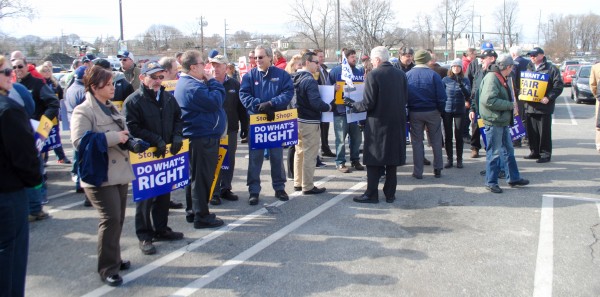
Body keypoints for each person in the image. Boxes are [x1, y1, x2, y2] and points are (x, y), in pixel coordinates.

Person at [71, 65, 137, 286]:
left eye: (112, 83)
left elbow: (122, 133)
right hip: (100, 174)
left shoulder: (110, 107)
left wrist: (130, 140)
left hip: (117, 172)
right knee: (109, 220)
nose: (112, 88)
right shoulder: (84, 110)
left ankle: (114, 258)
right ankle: (107, 267)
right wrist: (113, 137)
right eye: (107, 84)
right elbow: (79, 142)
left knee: (117, 219)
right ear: (93, 87)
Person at [123, 61, 185, 255]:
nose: (158, 80)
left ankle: (161, 229)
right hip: (146, 156)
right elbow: (132, 127)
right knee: (146, 198)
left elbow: (178, 118)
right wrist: (154, 139)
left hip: (165, 153)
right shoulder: (133, 101)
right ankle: (145, 235)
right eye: (153, 77)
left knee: (164, 193)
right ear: (142, 78)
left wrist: (176, 136)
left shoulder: (167, 98)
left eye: (160, 77)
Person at [0, 55, 43, 297]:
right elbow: (25, 157)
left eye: (12, 71)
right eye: (6, 72)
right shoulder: (9, 110)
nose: (11, 76)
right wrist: (34, 182)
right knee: (11, 254)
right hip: (8, 192)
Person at [345, 46, 407, 203]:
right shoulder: (401, 74)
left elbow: (368, 103)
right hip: (397, 122)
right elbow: (406, 97)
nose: (371, 62)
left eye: (372, 60)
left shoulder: (374, 75)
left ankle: (371, 194)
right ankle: (390, 194)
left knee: (373, 160)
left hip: (378, 124)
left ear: (377, 60)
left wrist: (352, 104)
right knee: (392, 160)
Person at [174, 50, 226, 228]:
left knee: (195, 177)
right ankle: (201, 216)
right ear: (194, 67)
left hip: (200, 136)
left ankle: (194, 210)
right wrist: (213, 81)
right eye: (203, 64)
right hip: (201, 138)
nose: (206, 67)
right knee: (201, 178)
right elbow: (216, 100)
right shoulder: (192, 86)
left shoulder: (192, 82)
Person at [240, 45, 294, 205]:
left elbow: (288, 92)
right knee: (255, 159)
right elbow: (244, 95)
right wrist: (260, 106)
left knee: (277, 157)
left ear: (270, 58)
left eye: (261, 57)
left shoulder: (282, 75)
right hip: (257, 123)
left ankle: (279, 187)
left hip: (275, 123)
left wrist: (272, 104)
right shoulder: (249, 76)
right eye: (255, 57)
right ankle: (254, 190)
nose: (257, 60)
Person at [13, 57, 58, 217]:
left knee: (36, 166)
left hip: (35, 131)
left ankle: (37, 203)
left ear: (27, 66)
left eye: (20, 66)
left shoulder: (37, 84)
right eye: (14, 67)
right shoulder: (10, 86)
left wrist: (42, 125)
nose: (17, 69)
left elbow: (53, 103)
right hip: (17, 134)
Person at [478, 54, 529, 193]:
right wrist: (510, 105)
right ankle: (491, 182)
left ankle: (513, 178)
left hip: (501, 120)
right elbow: (488, 100)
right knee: (494, 153)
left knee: (508, 151)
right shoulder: (492, 78)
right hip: (494, 121)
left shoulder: (499, 76)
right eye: (512, 67)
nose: (512, 69)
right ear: (507, 67)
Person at [208, 55, 248, 205]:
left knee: (228, 160)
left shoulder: (234, 84)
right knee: (214, 161)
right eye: (213, 65)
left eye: (218, 65)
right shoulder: (206, 83)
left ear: (226, 67)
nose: (215, 68)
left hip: (230, 129)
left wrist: (245, 126)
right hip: (212, 131)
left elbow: (241, 107)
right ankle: (214, 191)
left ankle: (225, 188)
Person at [291, 52, 333, 195]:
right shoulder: (309, 80)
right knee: (310, 154)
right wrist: (328, 107)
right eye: (316, 62)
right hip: (309, 121)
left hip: (296, 119)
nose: (318, 65)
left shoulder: (294, 77)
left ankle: (298, 182)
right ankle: (307, 186)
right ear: (307, 62)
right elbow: (315, 102)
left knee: (299, 152)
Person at [406, 50, 446, 179]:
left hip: (415, 111)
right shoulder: (434, 75)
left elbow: (404, 96)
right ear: (427, 60)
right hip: (432, 111)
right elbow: (441, 96)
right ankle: (438, 168)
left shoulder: (408, 75)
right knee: (436, 140)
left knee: (417, 142)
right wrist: (440, 110)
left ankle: (418, 172)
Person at [521, 47, 564, 163]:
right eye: (530, 55)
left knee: (544, 132)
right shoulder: (529, 68)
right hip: (530, 106)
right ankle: (534, 151)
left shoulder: (551, 69)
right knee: (531, 131)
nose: (532, 57)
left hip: (544, 108)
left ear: (542, 55)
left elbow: (558, 86)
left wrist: (549, 97)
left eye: (534, 55)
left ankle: (545, 154)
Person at [328, 48, 365, 173]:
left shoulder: (359, 71)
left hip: (355, 111)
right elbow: (327, 90)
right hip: (340, 111)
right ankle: (340, 162)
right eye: (352, 57)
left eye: (355, 56)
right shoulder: (335, 71)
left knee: (357, 138)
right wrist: (333, 88)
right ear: (345, 58)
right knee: (340, 139)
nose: (354, 59)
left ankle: (355, 160)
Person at [37, 63, 71, 165]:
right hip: (44, 117)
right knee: (43, 139)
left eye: (48, 70)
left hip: (54, 117)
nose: (47, 72)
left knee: (55, 138)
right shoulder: (39, 84)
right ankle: (43, 159)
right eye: (44, 70)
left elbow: (61, 98)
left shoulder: (55, 84)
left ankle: (61, 157)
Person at [468, 47, 498, 158]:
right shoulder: (479, 72)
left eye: (484, 58)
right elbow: (474, 91)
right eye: (481, 58)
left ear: (492, 58)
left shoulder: (497, 73)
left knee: (491, 132)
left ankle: (490, 149)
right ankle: (475, 148)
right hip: (478, 107)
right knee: (475, 127)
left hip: (492, 109)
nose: (481, 60)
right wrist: (472, 109)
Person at [64, 66, 89, 201]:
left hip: (73, 126)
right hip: (83, 128)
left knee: (77, 156)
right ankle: (84, 187)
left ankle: (78, 182)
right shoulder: (83, 92)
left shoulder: (70, 89)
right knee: (84, 159)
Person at [441, 59, 471, 169]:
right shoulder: (445, 80)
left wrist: (461, 85)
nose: (456, 68)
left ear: (461, 68)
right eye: (454, 66)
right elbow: (441, 94)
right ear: (451, 68)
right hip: (447, 110)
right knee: (448, 136)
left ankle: (459, 159)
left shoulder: (465, 80)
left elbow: (468, 95)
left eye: (458, 66)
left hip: (460, 109)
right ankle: (449, 159)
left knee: (458, 135)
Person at [313, 49, 335, 158]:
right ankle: (319, 152)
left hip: (327, 99)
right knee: (319, 128)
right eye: (320, 57)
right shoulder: (314, 70)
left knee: (325, 126)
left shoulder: (324, 69)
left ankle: (325, 148)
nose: (322, 58)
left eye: (322, 56)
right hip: (318, 101)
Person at [510, 46, 531, 148]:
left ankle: (517, 139)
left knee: (518, 116)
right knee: (526, 116)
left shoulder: (515, 64)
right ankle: (527, 138)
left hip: (518, 93)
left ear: (513, 54)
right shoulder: (528, 62)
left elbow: (512, 80)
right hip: (528, 93)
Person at [590, 61, 600, 152]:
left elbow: (592, 84)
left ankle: (599, 144)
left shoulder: (596, 67)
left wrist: (596, 96)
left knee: (599, 123)